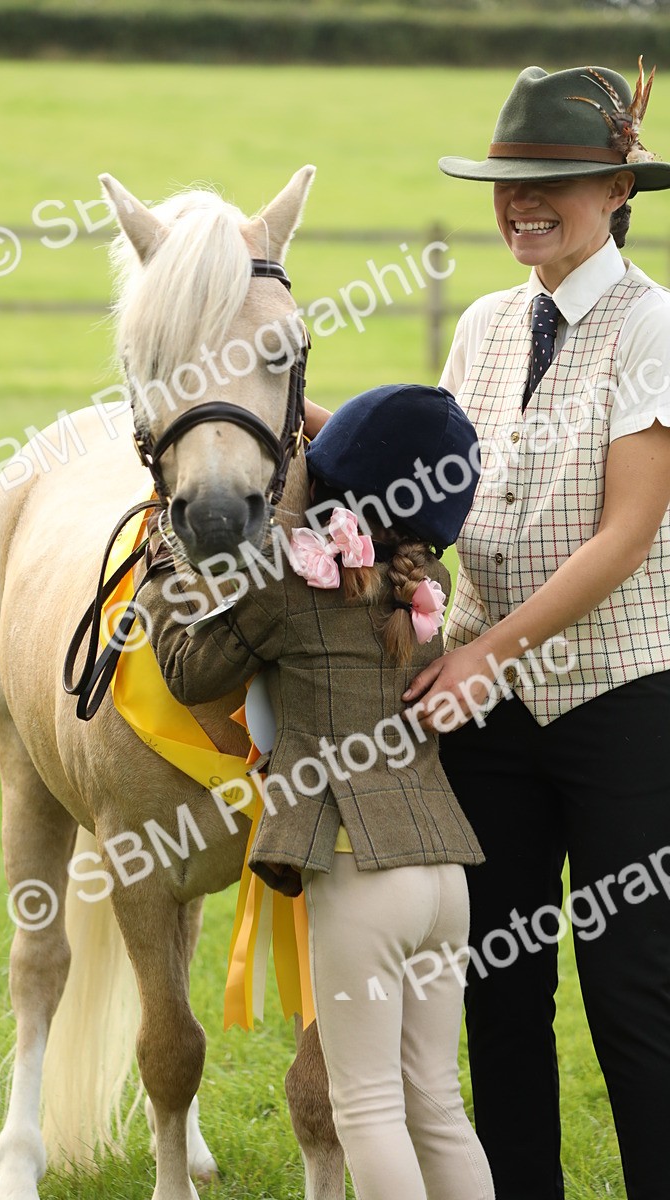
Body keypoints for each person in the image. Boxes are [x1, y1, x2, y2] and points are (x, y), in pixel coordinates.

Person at [312, 61, 670, 1200]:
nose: (524, 201)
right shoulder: (480, 325)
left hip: (623, 702)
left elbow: (623, 536)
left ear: (616, 186)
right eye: (508, 180)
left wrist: (481, 654)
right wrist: (286, 421)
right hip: (481, 713)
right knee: (492, 985)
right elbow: (431, 486)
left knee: (631, 981)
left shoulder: (653, 328)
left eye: (554, 181)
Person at [138, 383, 495, 1200]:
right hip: (446, 879)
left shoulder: (287, 587)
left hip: (359, 872)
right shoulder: (422, 586)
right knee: (437, 1105)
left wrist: (162, 571)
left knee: (366, 1107)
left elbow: (191, 671)